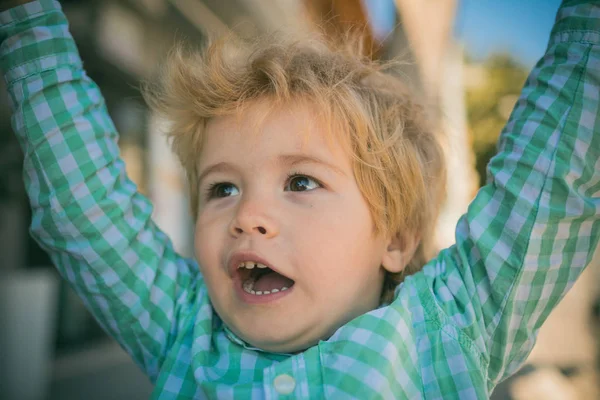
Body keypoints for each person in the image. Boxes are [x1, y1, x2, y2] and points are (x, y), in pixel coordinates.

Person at [1, 0, 598, 398]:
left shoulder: (445, 331)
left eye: (301, 182)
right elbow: (87, 209)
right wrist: (25, 22)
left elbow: (550, 172)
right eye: (222, 188)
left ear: (394, 238)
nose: (247, 217)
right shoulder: (183, 330)